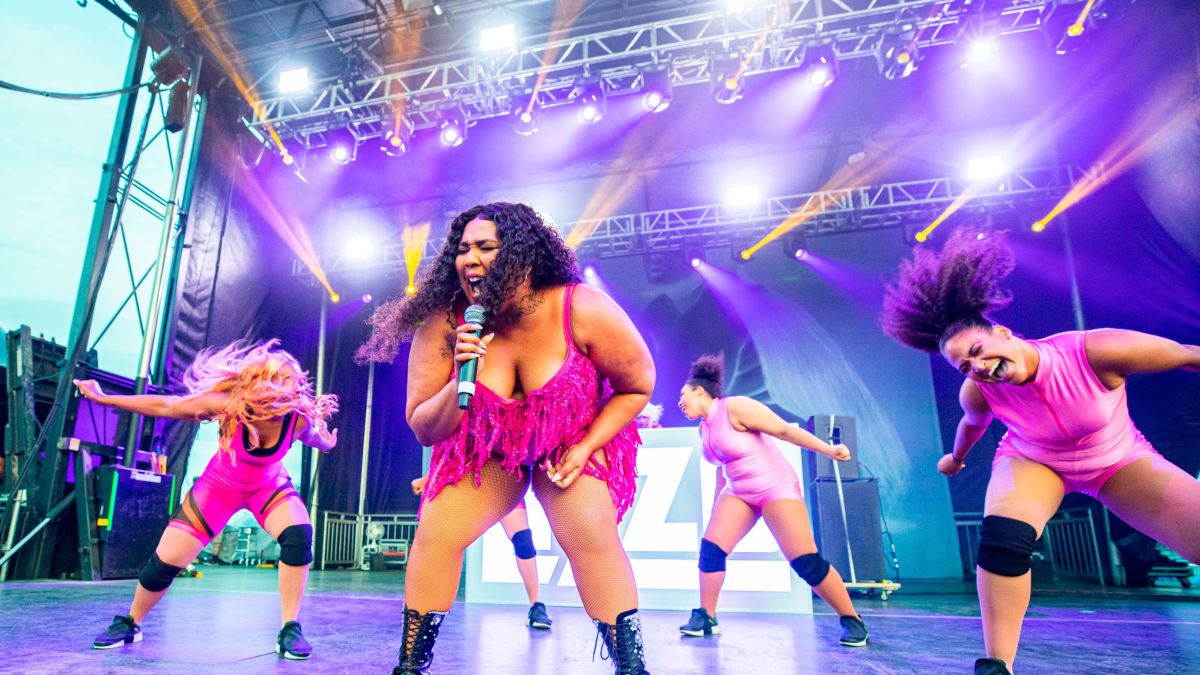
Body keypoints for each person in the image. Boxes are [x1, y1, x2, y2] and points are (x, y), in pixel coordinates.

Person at [880, 229, 1200, 675]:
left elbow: (1186, 355)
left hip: (1117, 459)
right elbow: (972, 425)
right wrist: (956, 458)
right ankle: (997, 665)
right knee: (1003, 540)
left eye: (978, 351)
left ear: (1005, 333)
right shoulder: (978, 392)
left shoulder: (1093, 351)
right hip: (1033, 461)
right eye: (965, 367)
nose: (978, 368)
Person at [358, 202, 654, 675]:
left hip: (570, 439)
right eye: (462, 249)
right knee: (436, 534)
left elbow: (636, 386)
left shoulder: (580, 306)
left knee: (589, 533)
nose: (469, 259)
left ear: (521, 254)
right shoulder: (447, 322)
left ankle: (632, 668)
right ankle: (410, 668)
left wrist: (586, 445)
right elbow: (423, 426)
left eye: (486, 247)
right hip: (488, 447)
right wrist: (459, 377)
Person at [77, 340, 338, 659]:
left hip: (268, 488)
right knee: (162, 566)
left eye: (291, 381)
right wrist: (105, 398)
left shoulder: (297, 420)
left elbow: (319, 440)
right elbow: (167, 407)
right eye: (278, 378)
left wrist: (327, 442)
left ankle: (289, 628)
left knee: (299, 535)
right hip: (218, 488)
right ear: (258, 383)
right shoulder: (229, 404)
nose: (287, 386)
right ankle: (131, 622)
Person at [676, 354, 869, 647]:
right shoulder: (704, 428)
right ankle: (707, 616)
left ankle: (852, 620)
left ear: (700, 390)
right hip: (739, 492)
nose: (680, 402)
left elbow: (785, 430)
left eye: (683, 394)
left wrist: (829, 451)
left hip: (775, 488)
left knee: (806, 563)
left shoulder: (735, 407)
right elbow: (722, 470)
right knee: (711, 551)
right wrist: (718, 506)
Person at [411, 475, 552, 629]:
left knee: (523, 542)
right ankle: (428, 608)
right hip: (471, 482)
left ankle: (536, 605)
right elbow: (453, 451)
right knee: (446, 540)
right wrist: (429, 478)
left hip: (504, 484)